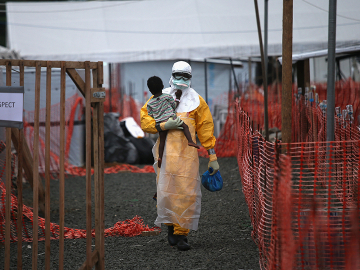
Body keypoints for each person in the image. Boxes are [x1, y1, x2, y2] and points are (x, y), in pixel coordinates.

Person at [141, 61, 220, 251]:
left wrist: (212, 156)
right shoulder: (159, 97)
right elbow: (145, 120)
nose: (181, 80)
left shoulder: (197, 101)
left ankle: (181, 234)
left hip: (187, 157)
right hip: (165, 155)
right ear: (172, 74)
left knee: (186, 192)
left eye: (186, 76)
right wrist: (161, 126)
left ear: (190, 78)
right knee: (167, 191)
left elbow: (206, 129)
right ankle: (170, 225)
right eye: (178, 75)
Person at [146, 76, 200, 168]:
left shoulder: (149, 103)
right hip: (172, 119)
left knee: (162, 141)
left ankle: (160, 157)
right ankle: (190, 141)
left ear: (150, 90)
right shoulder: (167, 96)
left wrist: (158, 115)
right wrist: (178, 97)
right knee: (185, 126)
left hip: (161, 124)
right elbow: (174, 106)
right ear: (162, 86)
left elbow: (150, 114)